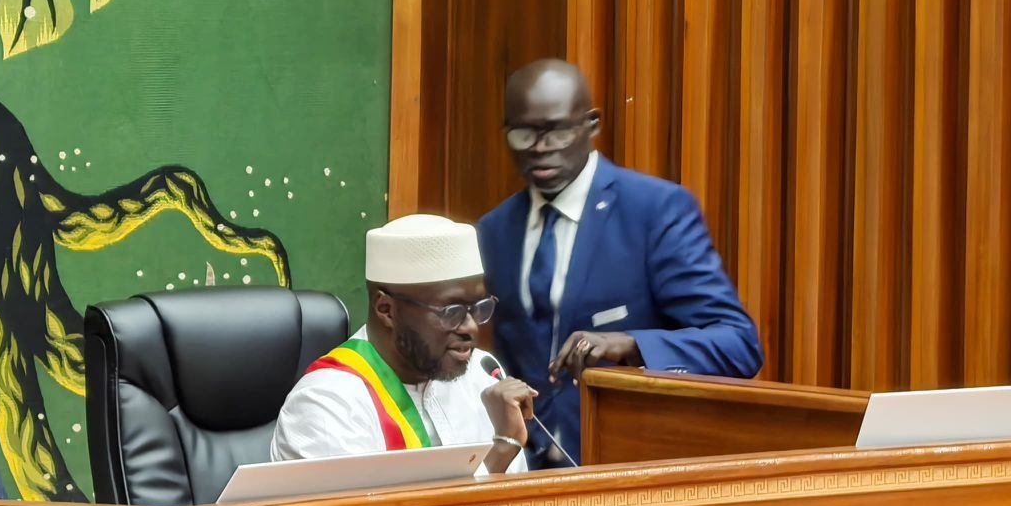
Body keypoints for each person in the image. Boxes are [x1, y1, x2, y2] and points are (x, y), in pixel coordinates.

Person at [477, 59, 763, 468]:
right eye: (524, 134)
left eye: (556, 131)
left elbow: (739, 345)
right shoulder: (494, 230)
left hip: (630, 473)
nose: (540, 149)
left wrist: (632, 345)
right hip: (527, 481)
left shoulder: (653, 212)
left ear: (591, 125)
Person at [272, 214, 537, 474]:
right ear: (386, 309)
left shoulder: (480, 372)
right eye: (451, 311)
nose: (470, 327)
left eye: (478, 307)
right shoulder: (326, 403)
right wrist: (501, 450)